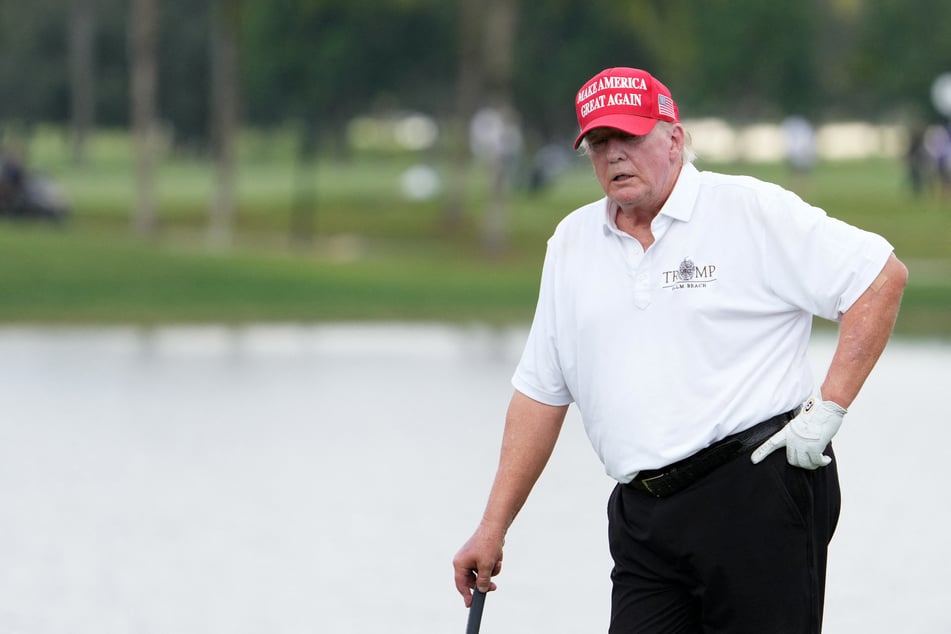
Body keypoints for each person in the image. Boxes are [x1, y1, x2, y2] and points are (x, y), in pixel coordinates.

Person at [452, 67, 908, 633]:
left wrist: (828, 410)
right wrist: (492, 526)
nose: (615, 155)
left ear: (674, 137)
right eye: (599, 143)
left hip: (757, 493)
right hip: (643, 517)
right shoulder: (572, 243)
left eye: (629, 137)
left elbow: (879, 279)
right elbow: (541, 394)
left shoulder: (745, 209)